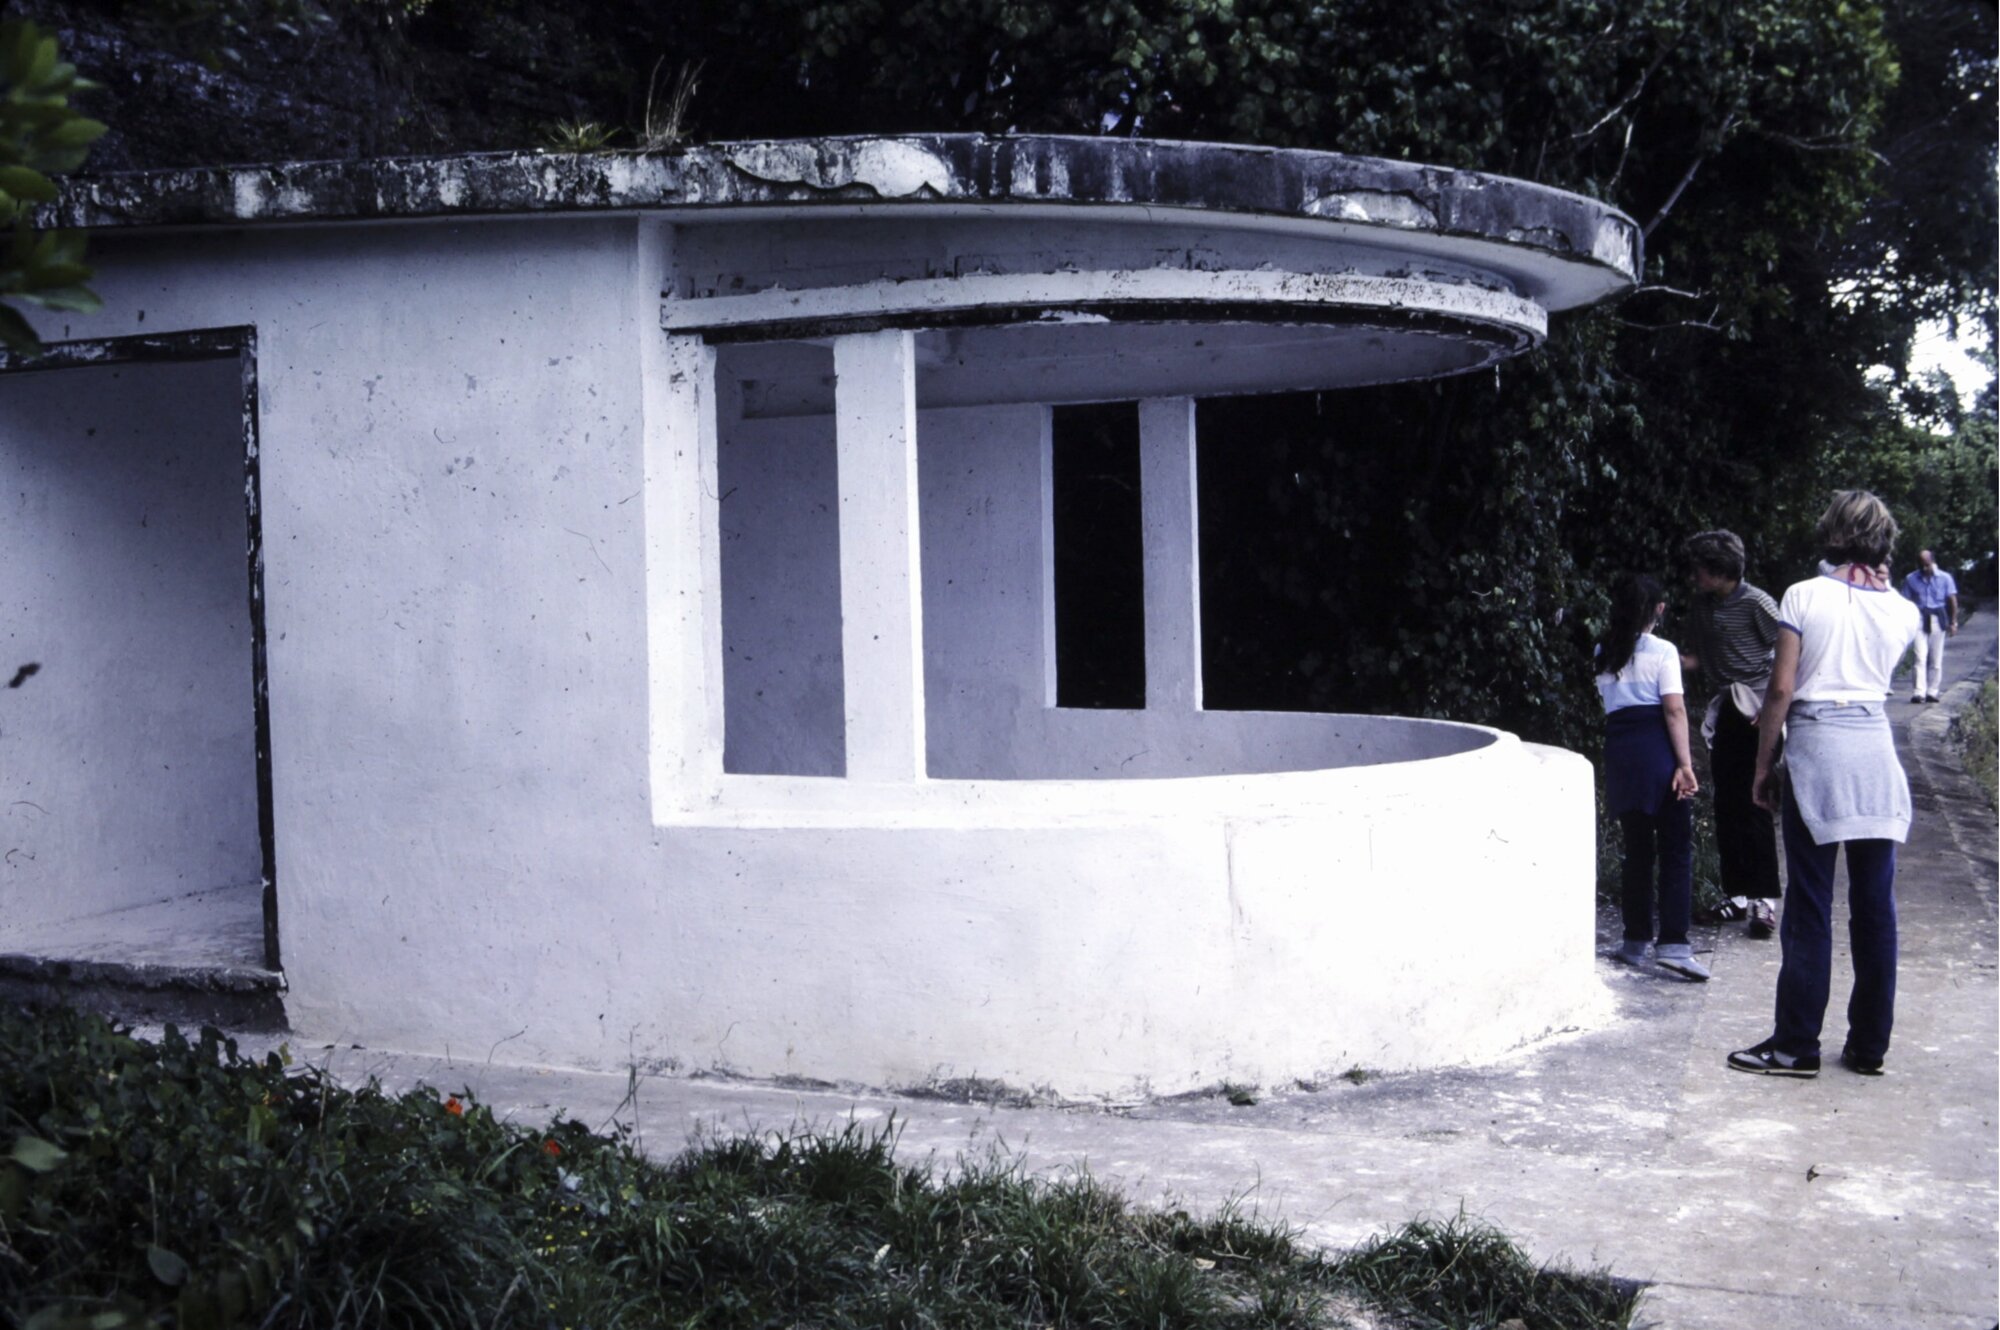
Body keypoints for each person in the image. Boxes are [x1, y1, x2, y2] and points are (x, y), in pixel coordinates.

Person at [1729, 491, 1920, 1078]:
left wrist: (1763, 767)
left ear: (1832, 532)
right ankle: (1868, 1047)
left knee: (1810, 904)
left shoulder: (1802, 596)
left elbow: (1780, 691)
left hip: (1819, 743)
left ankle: (1795, 1046)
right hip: (1875, 747)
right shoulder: (1904, 610)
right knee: (1874, 907)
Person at [1596, 573, 1707, 981]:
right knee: (1676, 848)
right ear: (1659, 610)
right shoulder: (1664, 651)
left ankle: (1634, 941)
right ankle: (1675, 944)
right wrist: (1685, 764)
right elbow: (1674, 711)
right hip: (1657, 749)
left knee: (1637, 850)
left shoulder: (1602, 650)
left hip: (1621, 752)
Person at [1678, 530, 1783, 938]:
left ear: (1720, 571)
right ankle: (1736, 896)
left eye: (1699, 570)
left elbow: (1791, 654)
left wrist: (1774, 708)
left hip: (1758, 709)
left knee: (1756, 803)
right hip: (1727, 710)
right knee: (1726, 805)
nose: (1693, 577)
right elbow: (1699, 658)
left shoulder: (1757, 603)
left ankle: (1764, 902)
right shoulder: (1702, 607)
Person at [1899, 548, 1959, 703]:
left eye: (1927, 565)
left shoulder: (1945, 578)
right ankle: (1919, 691)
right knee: (1920, 656)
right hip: (1919, 618)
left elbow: (1952, 600)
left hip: (1938, 619)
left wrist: (1953, 622)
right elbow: (1904, 602)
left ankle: (1932, 691)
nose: (1924, 568)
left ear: (1933, 562)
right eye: (1921, 565)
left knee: (1936, 658)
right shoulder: (1911, 578)